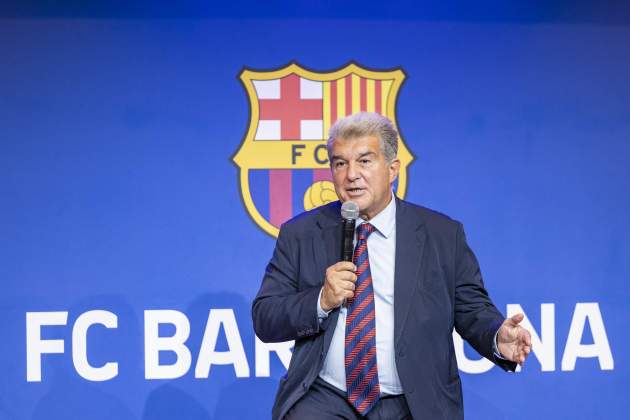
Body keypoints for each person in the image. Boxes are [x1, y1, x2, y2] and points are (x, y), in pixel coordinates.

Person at [252, 112, 532, 419]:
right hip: (325, 398)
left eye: (365, 161)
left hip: (411, 403)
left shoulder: (442, 235)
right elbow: (265, 317)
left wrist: (495, 336)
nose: (351, 175)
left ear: (393, 169)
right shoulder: (301, 234)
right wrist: (321, 300)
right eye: (340, 163)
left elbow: (471, 310)